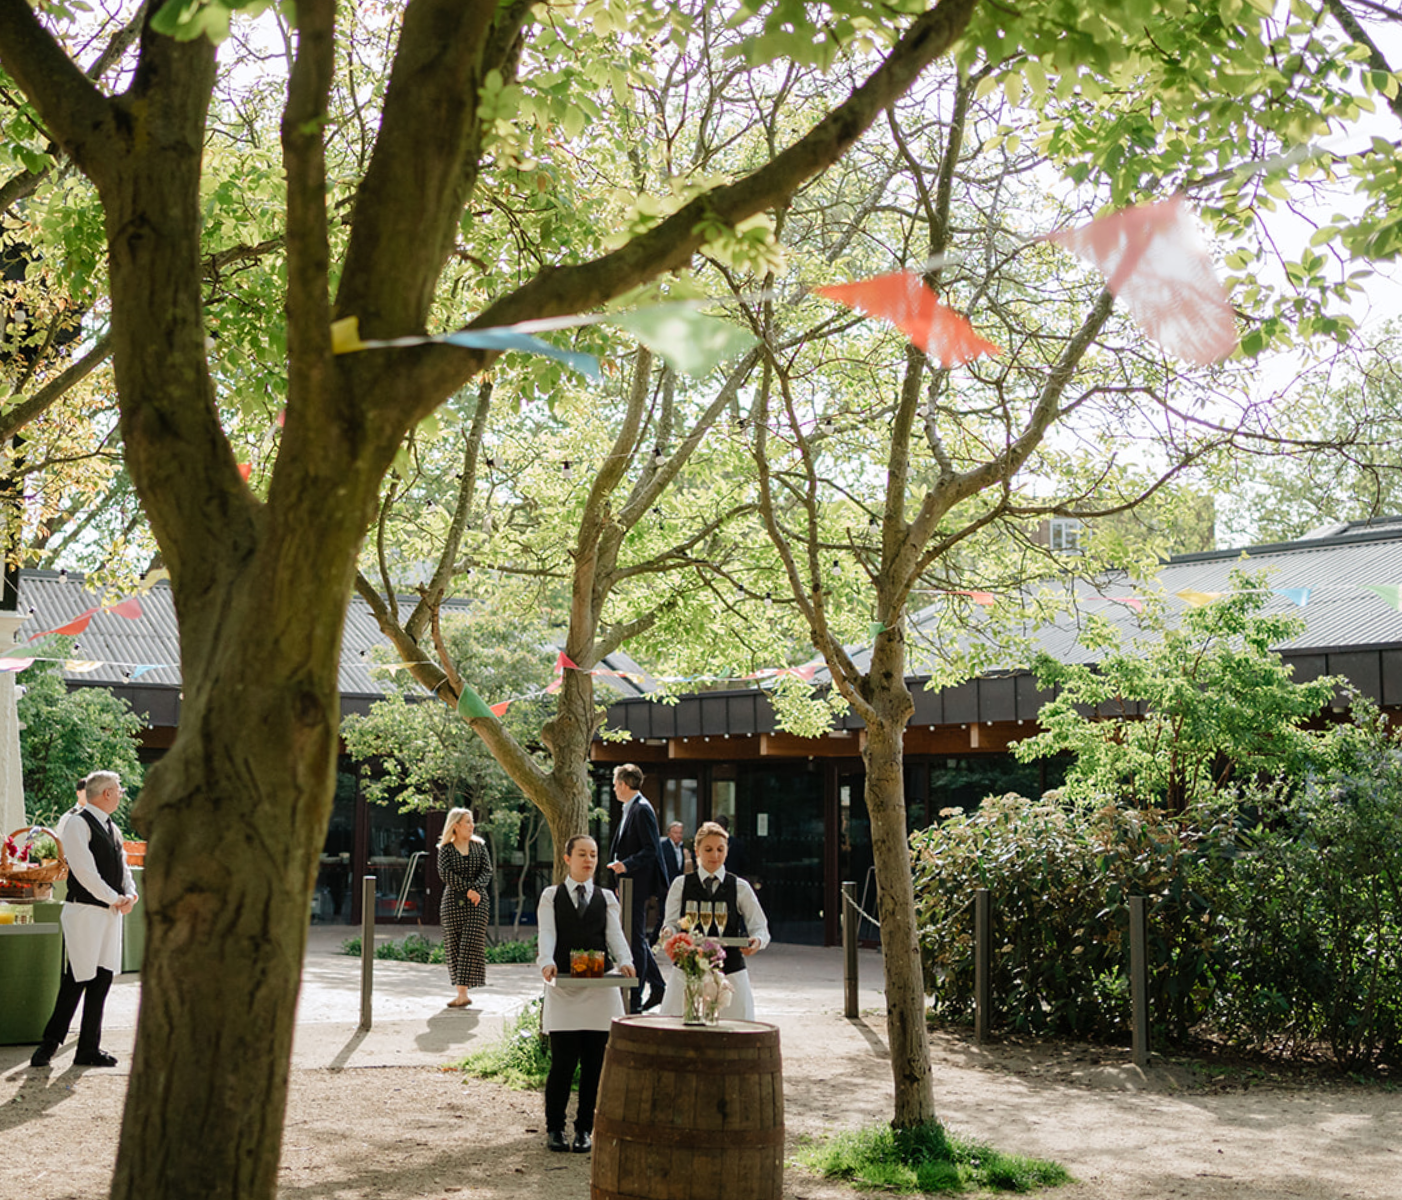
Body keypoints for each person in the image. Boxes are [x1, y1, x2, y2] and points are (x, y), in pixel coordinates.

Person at [30, 771, 137, 1068]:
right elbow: (86, 873)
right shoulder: (78, 823)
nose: (121, 794)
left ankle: (89, 1047)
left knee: (102, 980)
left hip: (110, 914)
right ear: (105, 794)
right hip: (85, 913)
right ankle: (49, 1044)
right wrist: (117, 898)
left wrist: (131, 894)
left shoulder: (113, 827)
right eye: (118, 789)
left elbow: (123, 867)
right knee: (77, 978)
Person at [536, 834, 636, 1154]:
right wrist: (547, 962)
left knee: (595, 1065)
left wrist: (626, 962)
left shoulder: (606, 897)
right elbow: (547, 934)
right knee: (563, 1064)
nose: (589, 860)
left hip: (599, 990)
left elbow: (615, 936)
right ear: (567, 858)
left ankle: (584, 1130)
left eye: (593, 854)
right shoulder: (551, 896)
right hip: (564, 988)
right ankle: (555, 1128)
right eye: (582, 854)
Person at [658, 819, 769, 1021]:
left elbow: (760, 927)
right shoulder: (681, 885)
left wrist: (757, 942)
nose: (715, 855)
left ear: (727, 851)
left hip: (731, 969)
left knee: (737, 1030)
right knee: (676, 1030)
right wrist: (668, 933)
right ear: (697, 851)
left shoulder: (740, 887)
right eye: (708, 849)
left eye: (720, 849)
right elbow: (671, 923)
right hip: (687, 970)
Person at [606, 763, 666, 1012]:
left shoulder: (641, 809)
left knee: (634, 938)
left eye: (614, 784)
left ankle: (636, 995)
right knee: (636, 938)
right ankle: (657, 985)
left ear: (623, 784)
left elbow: (651, 849)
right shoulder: (631, 808)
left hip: (636, 883)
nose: (613, 789)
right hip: (628, 884)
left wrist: (626, 866)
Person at [437, 807, 492, 1008]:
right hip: (453, 903)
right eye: (467, 822)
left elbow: (487, 871)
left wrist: (475, 890)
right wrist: (468, 889)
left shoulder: (480, 847)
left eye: (472, 822)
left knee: (470, 944)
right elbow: (445, 874)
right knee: (455, 946)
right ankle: (462, 994)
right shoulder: (446, 849)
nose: (472, 826)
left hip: (478, 903)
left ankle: (463, 991)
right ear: (456, 825)